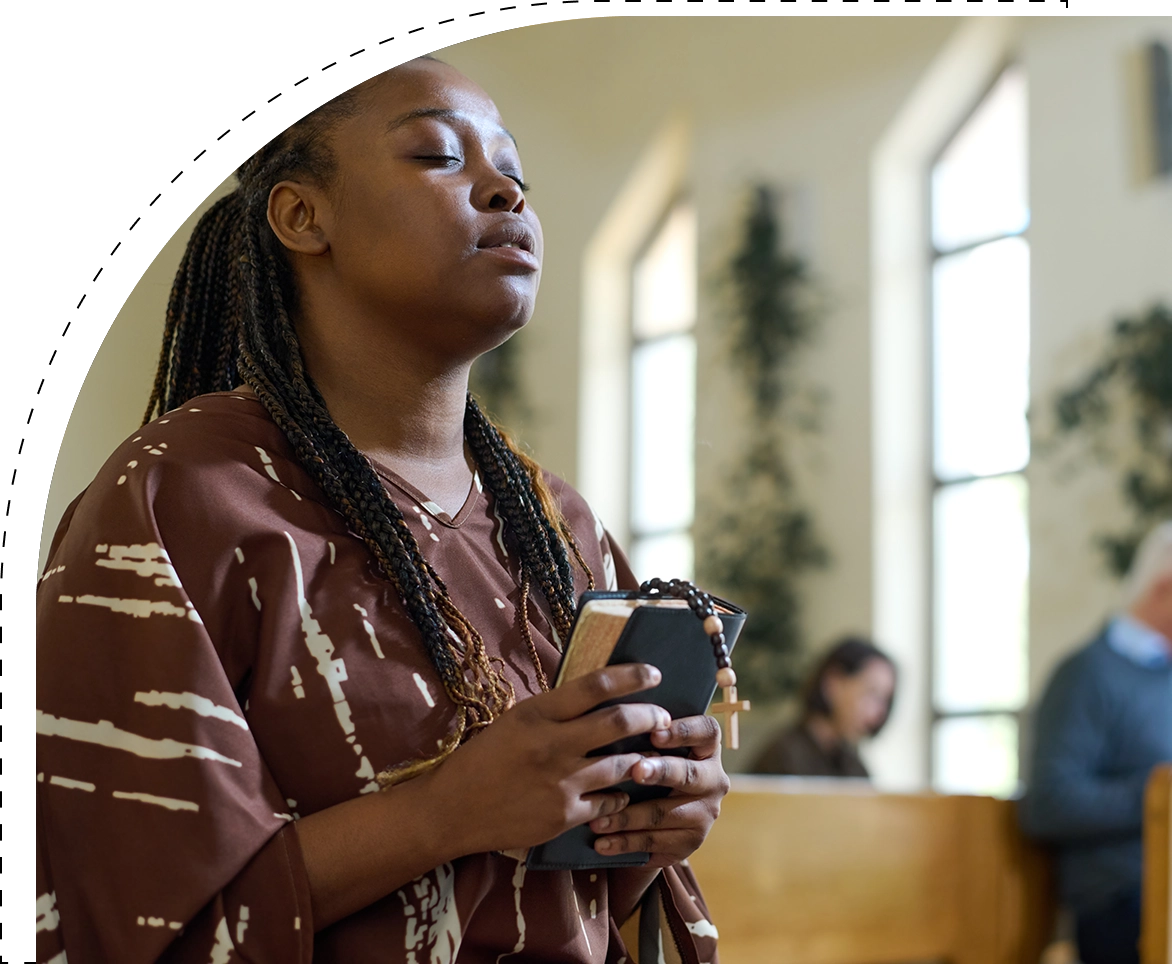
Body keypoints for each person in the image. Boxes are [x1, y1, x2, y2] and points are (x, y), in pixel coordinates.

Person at [34, 56, 730, 963]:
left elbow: (586, 898)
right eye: (441, 156)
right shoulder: (183, 494)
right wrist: (443, 812)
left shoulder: (559, 524)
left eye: (517, 176)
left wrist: (653, 814)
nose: (504, 193)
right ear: (302, 216)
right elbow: (123, 921)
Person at [1019, 521, 1172, 964]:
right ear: (1164, 589)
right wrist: (1158, 798)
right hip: (1122, 904)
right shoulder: (1087, 674)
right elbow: (1048, 803)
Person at [749, 637, 896, 778]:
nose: (879, 713)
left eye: (884, 700)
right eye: (871, 694)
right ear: (833, 683)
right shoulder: (782, 757)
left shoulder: (854, 766)